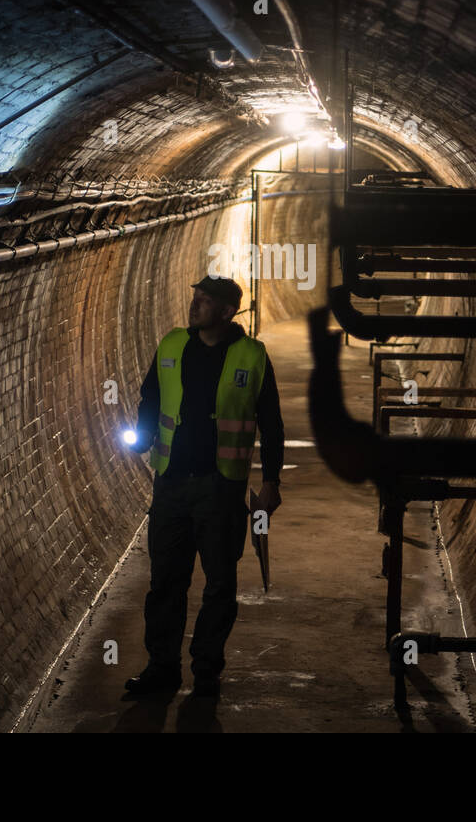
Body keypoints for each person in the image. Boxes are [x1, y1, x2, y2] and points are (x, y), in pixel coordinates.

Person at [122, 275, 283, 698]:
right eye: (195, 298)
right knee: (165, 582)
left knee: (219, 585)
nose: (195, 307)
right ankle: (162, 668)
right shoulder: (173, 344)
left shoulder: (253, 356)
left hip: (221, 488)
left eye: (205, 301)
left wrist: (270, 481)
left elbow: (272, 423)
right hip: (171, 483)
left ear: (228, 312)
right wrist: (140, 435)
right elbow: (151, 397)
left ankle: (207, 670)